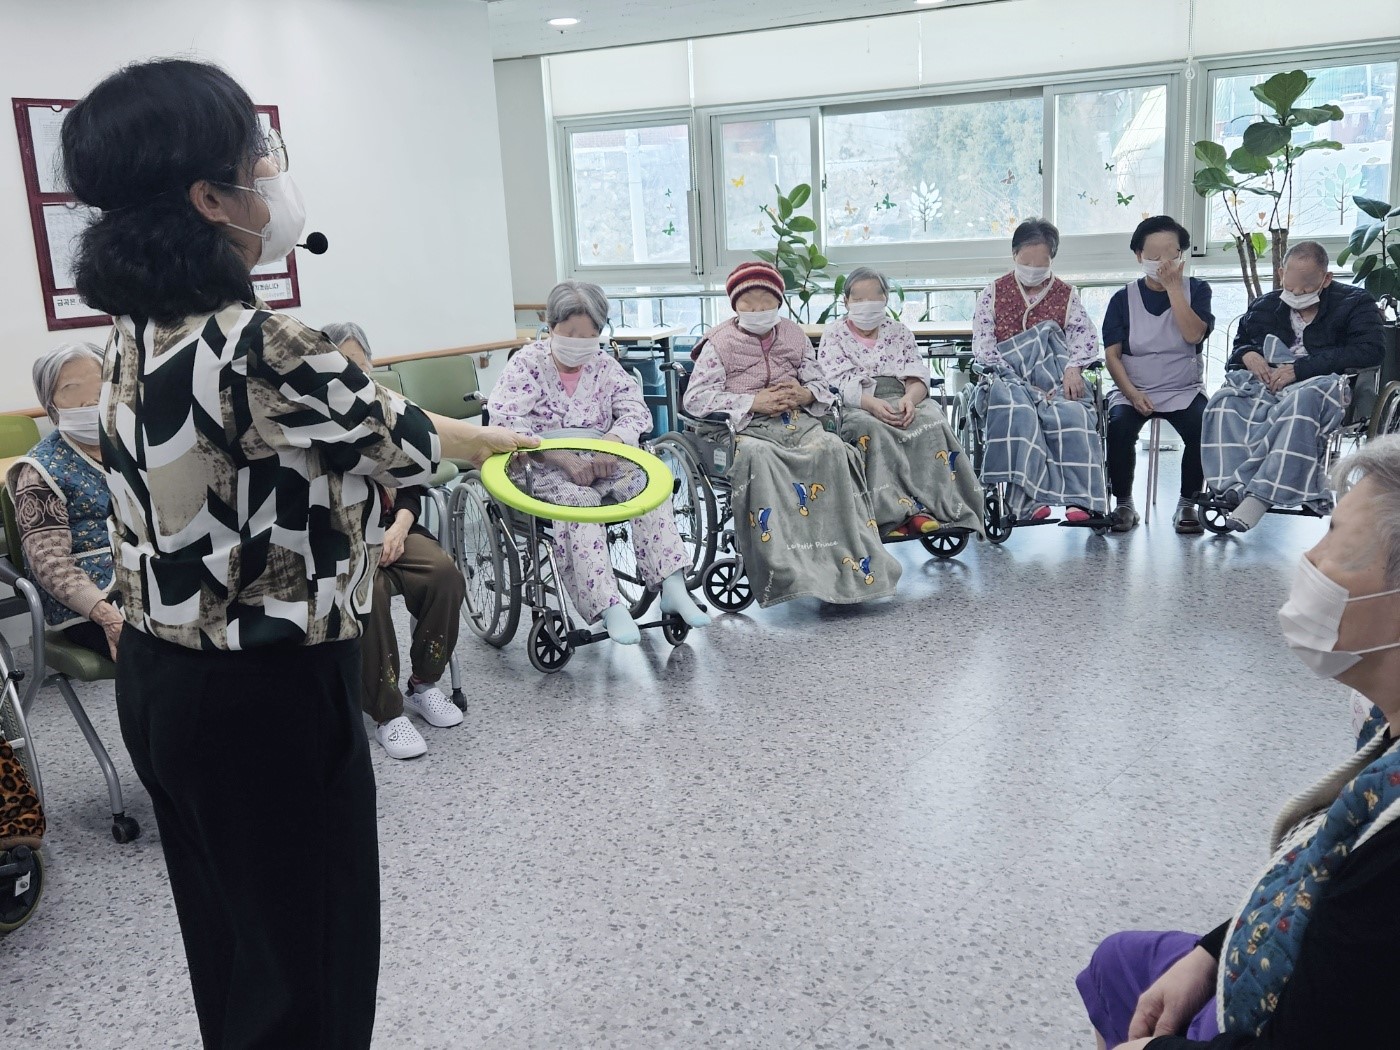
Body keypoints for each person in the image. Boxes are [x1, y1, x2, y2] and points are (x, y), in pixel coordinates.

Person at [61, 59, 535, 1049]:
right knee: (309, 969)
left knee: (236, 948)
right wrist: (498, 440)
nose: (274, 177)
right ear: (209, 199)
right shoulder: (268, 346)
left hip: (159, 682)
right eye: (259, 158)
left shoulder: (132, 334)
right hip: (264, 698)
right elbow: (410, 442)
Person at [1075, 436, 1400, 1050]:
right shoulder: (1384, 738)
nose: (1310, 559)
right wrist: (1209, 951)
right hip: (1263, 957)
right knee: (1121, 961)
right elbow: (1319, 879)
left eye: (1336, 541)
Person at [487, 280, 711, 643]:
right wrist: (560, 456)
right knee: (580, 502)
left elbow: (636, 412)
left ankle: (672, 584)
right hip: (541, 462)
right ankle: (608, 606)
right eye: (570, 334)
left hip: (602, 457)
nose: (579, 343)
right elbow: (504, 419)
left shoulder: (605, 366)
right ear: (551, 326)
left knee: (646, 487)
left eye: (589, 335)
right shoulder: (527, 364)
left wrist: (611, 444)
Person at [684, 261, 901, 607]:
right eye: (748, 303)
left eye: (765, 302)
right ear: (735, 305)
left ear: (779, 301)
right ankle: (786, 567)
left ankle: (842, 561)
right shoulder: (719, 343)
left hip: (795, 421)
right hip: (745, 428)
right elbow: (695, 398)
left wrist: (805, 393)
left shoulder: (794, 335)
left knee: (832, 449)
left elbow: (820, 382)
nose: (758, 310)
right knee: (760, 458)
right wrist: (752, 401)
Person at [323, 322, 466, 761]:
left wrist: (400, 527)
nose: (353, 375)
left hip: (393, 526)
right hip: (345, 541)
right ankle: (386, 712)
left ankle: (424, 683)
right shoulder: (316, 421)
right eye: (341, 365)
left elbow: (411, 483)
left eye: (359, 366)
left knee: (444, 575)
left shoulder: (388, 412)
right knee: (371, 594)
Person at [1203, 240, 1384, 532]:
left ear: (1326, 279)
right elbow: (1240, 346)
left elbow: (1370, 351)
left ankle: (1260, 496)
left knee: (1302, 402)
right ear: (1280, 273)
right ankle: (1233, 486)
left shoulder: (1355, 303)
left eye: (1307, 287)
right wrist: (1247, 354)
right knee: (1225, 403)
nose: (1297, 293)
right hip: (1270, 383)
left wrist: (1300, 369)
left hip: (1324, 382)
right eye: (1291, 286)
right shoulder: (1264, 305)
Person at [816, 266, 984, 539]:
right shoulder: (834, 334)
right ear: (845, 302)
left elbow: (916, 373)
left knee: (932, 422)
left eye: (874, 298)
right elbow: (835, 382)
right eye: (858, 299)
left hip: (903, 394)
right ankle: (893, 514)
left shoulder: (898, 331)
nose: (866, 305)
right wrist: (871, 404)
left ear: (885, 299)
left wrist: (910, 399)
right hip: (857, 403)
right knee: (874, 431)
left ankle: (937, 509)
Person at [971, 219, 1109, 524]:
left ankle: (1081, 501)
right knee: (1020, 414)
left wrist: (1073, 369)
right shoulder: (993, 293)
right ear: (1014, 255)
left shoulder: (1066, 295)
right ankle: (1026, 502)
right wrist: (1018, 382)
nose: (1033, 269)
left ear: (1052, 260)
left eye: (1041, 264)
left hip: (1055, 378)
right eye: (1026, 262)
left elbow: (1084, 337)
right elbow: (984, 346)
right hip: (1007, 378)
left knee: (1074, 415)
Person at [5, 343, 125, 660]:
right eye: (71, 389)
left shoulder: (131, 446)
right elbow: (50, 563)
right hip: (91, 605)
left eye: (99, 385)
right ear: (51, 404)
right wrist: (107, 616)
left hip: (147, 582)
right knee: (169, 651)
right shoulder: (40, 472)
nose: (89, 400)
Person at [1101, 216, 1213, 535]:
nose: (1163, 263)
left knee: (1203, 425)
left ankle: (1187, 503)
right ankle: (1124, 504)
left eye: (1171, 255)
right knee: (1119, 427)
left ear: (1182, 255)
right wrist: (1133, 394)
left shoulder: (1197, 290)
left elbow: (1193, 335)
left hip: (1183, 389)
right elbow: (1112, 356)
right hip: (1133, 389)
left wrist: (1174, 288)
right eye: (1154, 256)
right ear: (1139, 256)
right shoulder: (1122, 299)